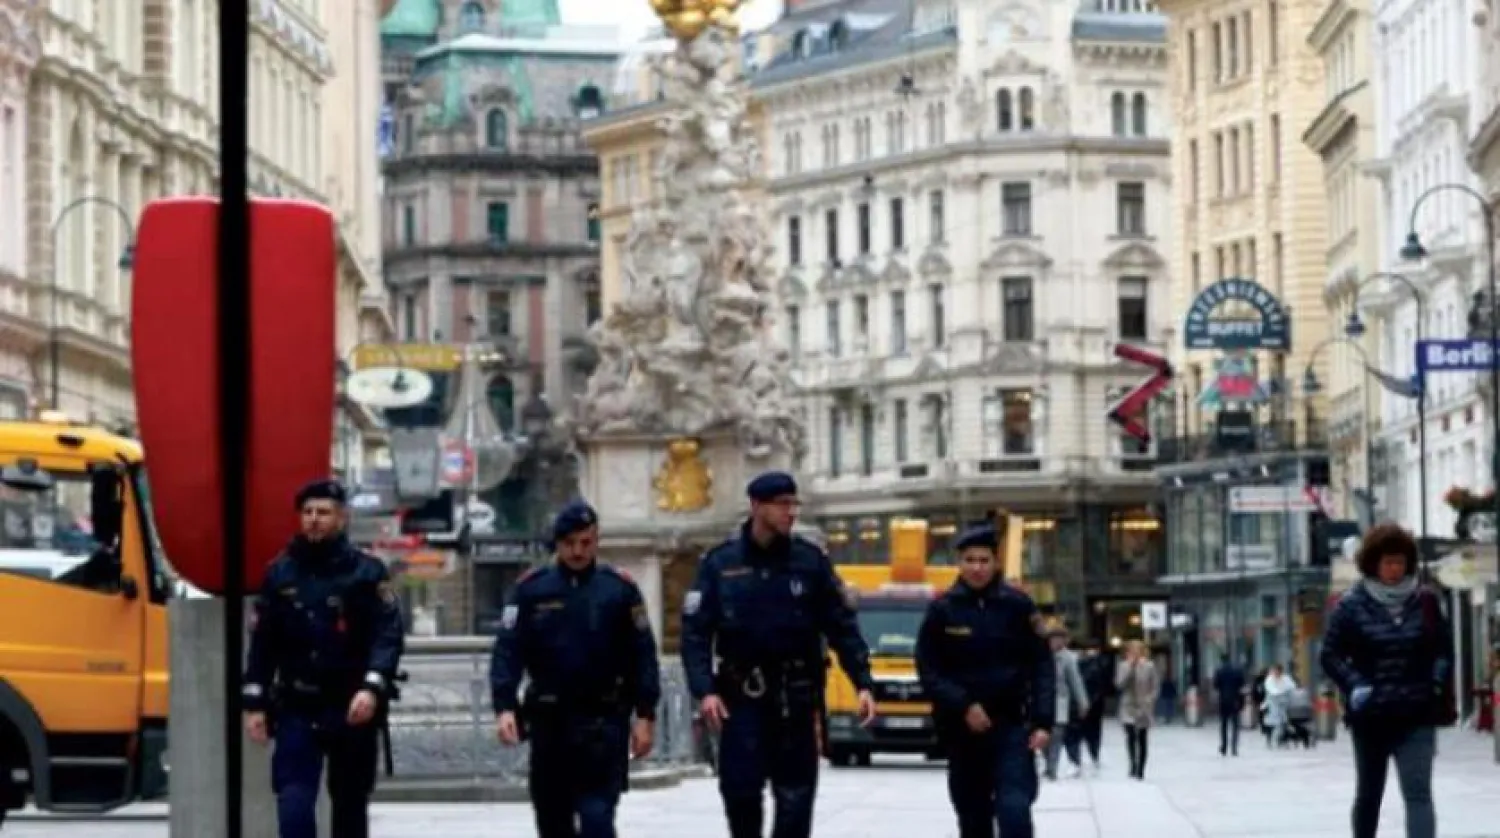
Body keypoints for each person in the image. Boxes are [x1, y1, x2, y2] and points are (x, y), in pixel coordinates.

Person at [680, 471, 876, 838]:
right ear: (757, 506)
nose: (791, 512)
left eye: (794, 504)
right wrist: (704, 690)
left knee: (795, 801)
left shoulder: (810, 561)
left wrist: (862, 681)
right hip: (741, 699)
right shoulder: (720, 564)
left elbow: (841, 626)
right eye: (782, 504)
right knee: (740, 794)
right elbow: (695, 633)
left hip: (795, 698)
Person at [242, 479, 406, 838]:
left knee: (349, 804)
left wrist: (372, 686)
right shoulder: (280, 573)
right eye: (308, 512)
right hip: (297, 705)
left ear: (341, 518)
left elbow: (388, 636)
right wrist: (254, 701)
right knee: (294, 804)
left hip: (351, 705)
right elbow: (263, 643)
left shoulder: (367, 572)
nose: (314, 519)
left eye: (324, 513)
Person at [489, 500, 661, 838]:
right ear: (558, 543)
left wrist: (645, 714)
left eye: (586, 542)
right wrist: (504, 705)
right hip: (551, 722)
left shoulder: (619, 589)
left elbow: (642, 654)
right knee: (554, 821)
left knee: (598, 819)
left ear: (596, 541)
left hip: (603, 723)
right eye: (570, 543)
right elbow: (508, 651)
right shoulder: (531, 589)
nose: (578, 551)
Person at [915, 524, 1055, 838]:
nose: (977, 568)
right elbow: (928, 670)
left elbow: (1042, 665)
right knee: (973, 816)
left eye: (984, 560)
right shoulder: (942, 610)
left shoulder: (1018, 606)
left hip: (1011, 726)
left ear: (995, 562)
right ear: (959, 563)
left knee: (1015, 811)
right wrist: (963, 705)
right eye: (970, 560)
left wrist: (1044, 721)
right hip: (963, 731)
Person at [1321, 523, 1453, 838]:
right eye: (1388, 562)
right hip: (1372, 718)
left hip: (1416, 714)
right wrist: (1355, 685)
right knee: (1369, 795)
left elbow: (1443, 650)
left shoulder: (1426, 601)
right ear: (1373, 563)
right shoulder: (1352, 605)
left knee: (1419, 794)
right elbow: (1330, 654)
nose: (1395, 569)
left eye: (1400, 562)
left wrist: (1435, 683)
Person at [1043, 628, 1088, 780]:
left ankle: (1051, 768)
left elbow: (1075, 681)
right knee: (1043, 736)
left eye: (1059, 639)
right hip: (1041, 701)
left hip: (1060, 701)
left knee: (1057, 735)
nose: (1056, 642)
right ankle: (1047, 761)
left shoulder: (1068, 658)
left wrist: (1082, 702)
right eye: (1053, 639)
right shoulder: (1041, 655)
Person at [1114, 640, 1158, 780]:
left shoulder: (1149, 666)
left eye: (1137, 651)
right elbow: (1119, 684)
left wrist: (1150, 699)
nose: (1135, 654)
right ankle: (1132, 763)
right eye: (1132, 651)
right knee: (1131, 736)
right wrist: (1130, 668)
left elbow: (1155, 686)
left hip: (1144, 705)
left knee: (1142, 738)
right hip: (1128, 706)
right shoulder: (1123, 666)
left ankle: (1141, 768)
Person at [1072, 643, 1111, 775]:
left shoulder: (1097, 664)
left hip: (1092, 702)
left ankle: (1090, 755)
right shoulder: (1092, 664)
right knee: (1089, 731)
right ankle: (1091, 755)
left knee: (1087, 730)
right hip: (1091, 702)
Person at [1211, 655, 1246, 756]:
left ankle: (1224, 747)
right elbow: (1242, 684)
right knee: (1235, 725)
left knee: (1223, 725)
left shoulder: (1219, 671)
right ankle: (1234, 748)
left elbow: (1215, 685)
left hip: (1223, 701)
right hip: (1235, 700)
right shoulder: (1237, 670)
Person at [1260, 664, 1298, 747]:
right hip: (1272, 703)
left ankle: (1282, 740)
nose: (1276, 673)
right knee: (1271, 723)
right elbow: (1271, 690)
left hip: (1283, 704)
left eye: (1278, 671)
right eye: (1275, 671)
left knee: (1283, 722)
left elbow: (1292, 687)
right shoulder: (1270, 679)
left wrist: (1284, 691)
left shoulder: (1286, 679)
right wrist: (1280, 691)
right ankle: (1270, 740)